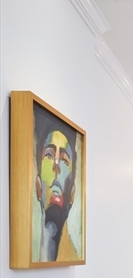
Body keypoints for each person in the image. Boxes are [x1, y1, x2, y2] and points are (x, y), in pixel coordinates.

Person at [34, 111, 80, 262]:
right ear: (38, 187)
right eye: (49, 155)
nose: (56, 166)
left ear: (72, 194)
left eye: (64, 160)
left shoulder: (74, 257)